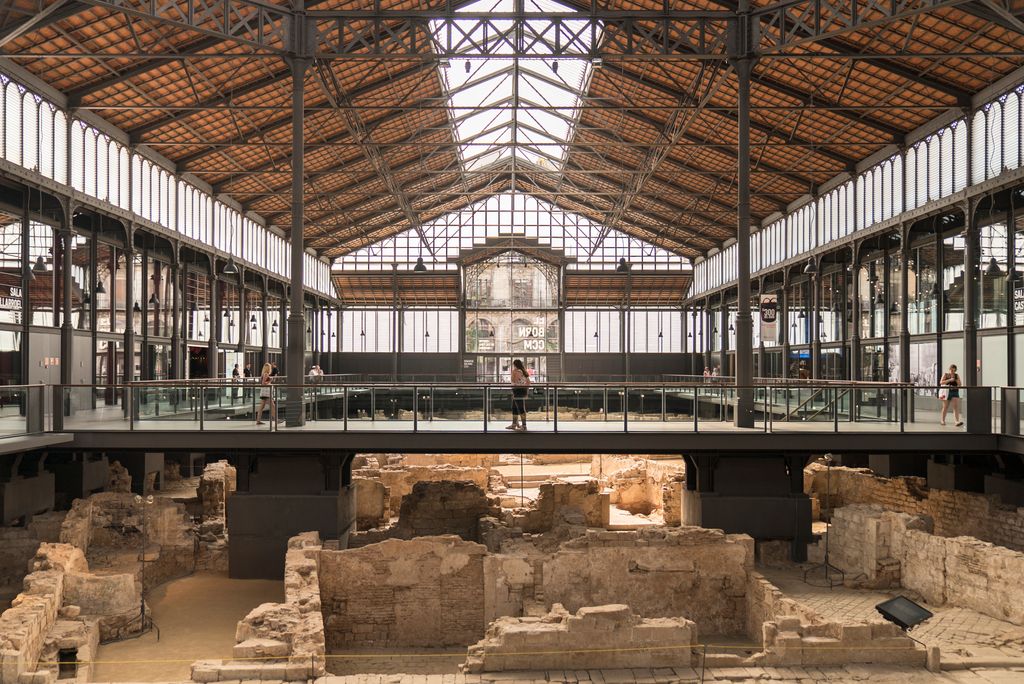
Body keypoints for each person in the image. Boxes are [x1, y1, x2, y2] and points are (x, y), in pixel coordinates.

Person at [507, 359, 530, 432]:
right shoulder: (523, 371)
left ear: (515, 365)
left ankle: (524, 426)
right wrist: (525, 392)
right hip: (521, 391)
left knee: (520, 408)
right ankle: (514, 424)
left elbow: (514, 381)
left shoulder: (516, 371)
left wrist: (513, 375)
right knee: (514, 407)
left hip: (517, 391)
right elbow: (528, 383)